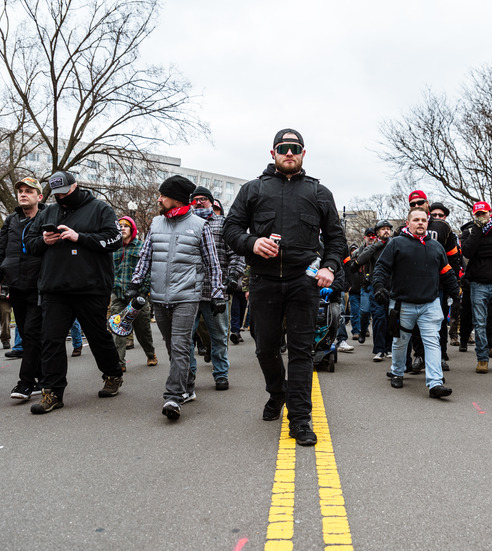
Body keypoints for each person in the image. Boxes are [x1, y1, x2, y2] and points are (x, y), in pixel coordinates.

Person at [223, 128, 347, 447]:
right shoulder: (253, 189)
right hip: (263, 281)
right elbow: (230, 230)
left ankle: (300, 419)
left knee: (301, 351)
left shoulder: (319, 192)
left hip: (302, 282)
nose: (288, 153)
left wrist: (329, 266)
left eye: (294, 148)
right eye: (283, 148)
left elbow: (336, 239)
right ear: (273, 153)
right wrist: (252, 242)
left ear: (303, 153)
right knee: (264, 347)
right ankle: (277, 392)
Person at [24, 170, 124, 414]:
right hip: (55, 287)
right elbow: (30, 244)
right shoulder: (48, 211)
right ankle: (53, 392)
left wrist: (80, 237)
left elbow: (115, 240)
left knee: (98, 335)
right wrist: (45, 240)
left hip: (90, 286)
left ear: (76, 186)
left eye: (65, 192)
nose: (60, 197)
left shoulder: (100, 209)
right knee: (51, 339)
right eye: (55, 194)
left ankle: (112, 373)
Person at [127, 176, 225, 421]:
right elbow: (146, 256)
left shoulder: (199, 226)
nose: (159, 199)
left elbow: (213, 264)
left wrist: (217, 293)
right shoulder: (157, 223)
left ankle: (173, 396)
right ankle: (188, 384)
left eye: (163, 195)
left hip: (187, 296)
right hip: (159, 297)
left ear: (176, 198)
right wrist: (135, 283)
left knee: (181, 345)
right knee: (173, 346)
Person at [373, 207, 461, 398]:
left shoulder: (436, 247)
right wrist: (379, 286)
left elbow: (447, 273)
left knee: (432, 343)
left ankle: (435, 383)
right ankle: (397, 372)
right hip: (402, 305)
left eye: (423, 220)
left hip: (430, 304)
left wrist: (456, 297)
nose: (420, 223)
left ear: (427, 223)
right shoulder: (396, 243)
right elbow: (382, 267)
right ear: (408, 223)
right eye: (416, 220)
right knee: (400, 342)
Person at [0, 177, 47, 401]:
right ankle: (43, 378)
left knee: (31, 333)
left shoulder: (47, 217)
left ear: (39, 196)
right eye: (20, 191)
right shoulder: (11, 220)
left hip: (40, 286)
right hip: (16, 286)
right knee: (27, 333)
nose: (23, 194)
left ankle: (25, 382)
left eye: (29, 191)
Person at [187, 185, 244, 392]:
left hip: (216, 292)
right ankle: (188, 375)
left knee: (219, 337)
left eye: (203, 199)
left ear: (211, 201)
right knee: (186, 339)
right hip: (188, 292)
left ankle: (221, 374)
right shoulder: (185, 224)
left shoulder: (223, 224)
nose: (199, 202)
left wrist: (232, 277)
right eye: (195, 199)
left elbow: (237, 254)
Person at [461, 200, 492, 374]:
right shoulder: (468, 232)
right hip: (478, 284)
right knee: (480, 323)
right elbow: (467, 251)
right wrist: (477, 229)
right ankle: (482, 357)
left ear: (490, 213)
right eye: (478, 214)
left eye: (484, 213)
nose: (481, 216)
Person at [110, 216, 158, 372]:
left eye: (126, 226)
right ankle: (119, 363)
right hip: (118, 295)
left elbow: (149, 271)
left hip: (138, 297)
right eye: (120, 225)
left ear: (132, 229)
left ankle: (151, 354)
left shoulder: (141, 247)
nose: (122, 228)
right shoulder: (113, 248)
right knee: (118, 330)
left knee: (142, 330)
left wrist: (143, 292)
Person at [355, 220, 394, 362]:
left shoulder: (394, 244)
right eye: (383, 229)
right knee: (378, 317)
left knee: (391, 317)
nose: (386, 231)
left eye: (388, 229)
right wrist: (374, 246)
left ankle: (389, 348)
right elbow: (360, 259)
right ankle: (379, 350)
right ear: (377, 233)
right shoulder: (373, 247)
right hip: (375, 287)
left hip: (392, 287)